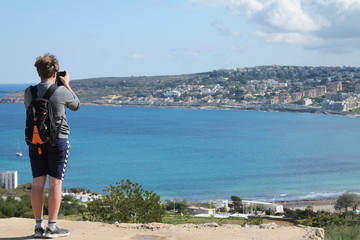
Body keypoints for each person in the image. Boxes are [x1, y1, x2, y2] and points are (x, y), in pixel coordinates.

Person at [24, 53, 80, 238]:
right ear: (56, 72)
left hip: (36, 141)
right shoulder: (61, 91)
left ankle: (38, 227)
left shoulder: (29, 92)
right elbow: (76, 105)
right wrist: (67, 85)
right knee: (55, 184)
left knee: (37, 183)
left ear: (38, 71)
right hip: (58, 141)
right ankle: (52, 227)